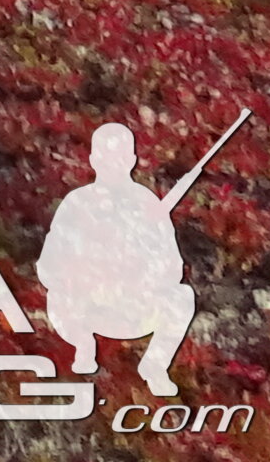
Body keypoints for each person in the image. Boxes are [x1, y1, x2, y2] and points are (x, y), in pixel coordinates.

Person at [38, 123, 199, 396]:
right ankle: (83, 345)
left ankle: (155, 365)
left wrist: (141, 266)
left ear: (132, 161)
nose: (112, 164)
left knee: (182, 297)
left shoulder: (148, 205)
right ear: (93, 160)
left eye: (119, 158)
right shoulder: (76, 203)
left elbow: (172, 268)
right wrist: (87, 270)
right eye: (105, 157)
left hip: (133, 307)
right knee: (58, 295)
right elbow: (48, 266)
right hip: (86, 307)